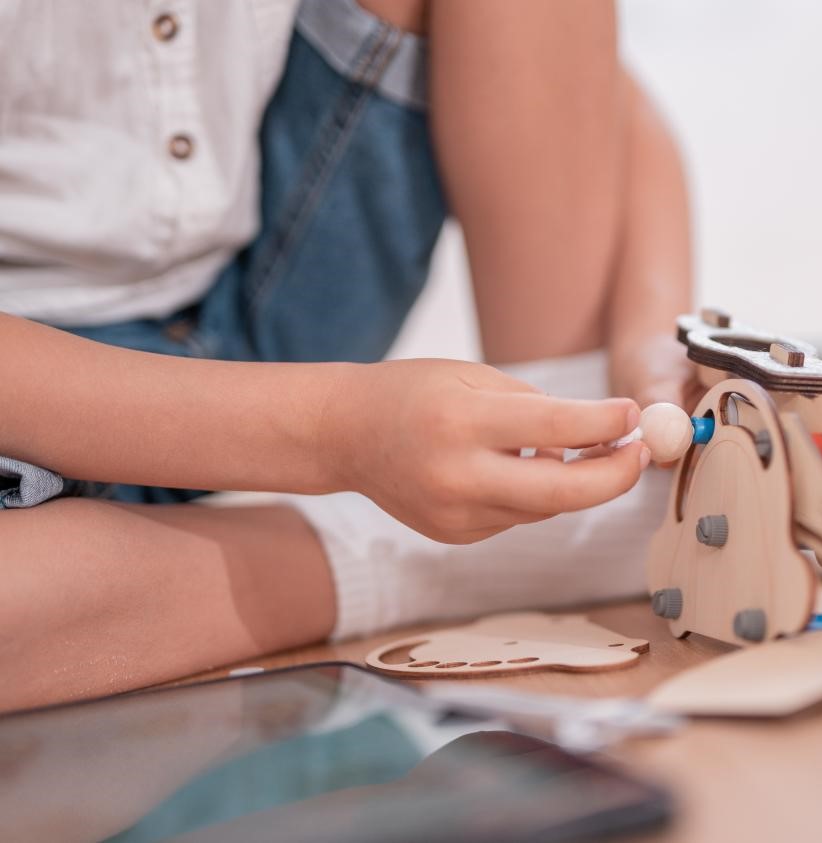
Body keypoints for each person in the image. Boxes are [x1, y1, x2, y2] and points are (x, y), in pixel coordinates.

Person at [0, 0, 695, 711]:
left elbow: (593, 83)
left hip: (261, 291)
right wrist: (334, 429)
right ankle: (468, 552)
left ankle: (567, 471)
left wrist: (649, 335)